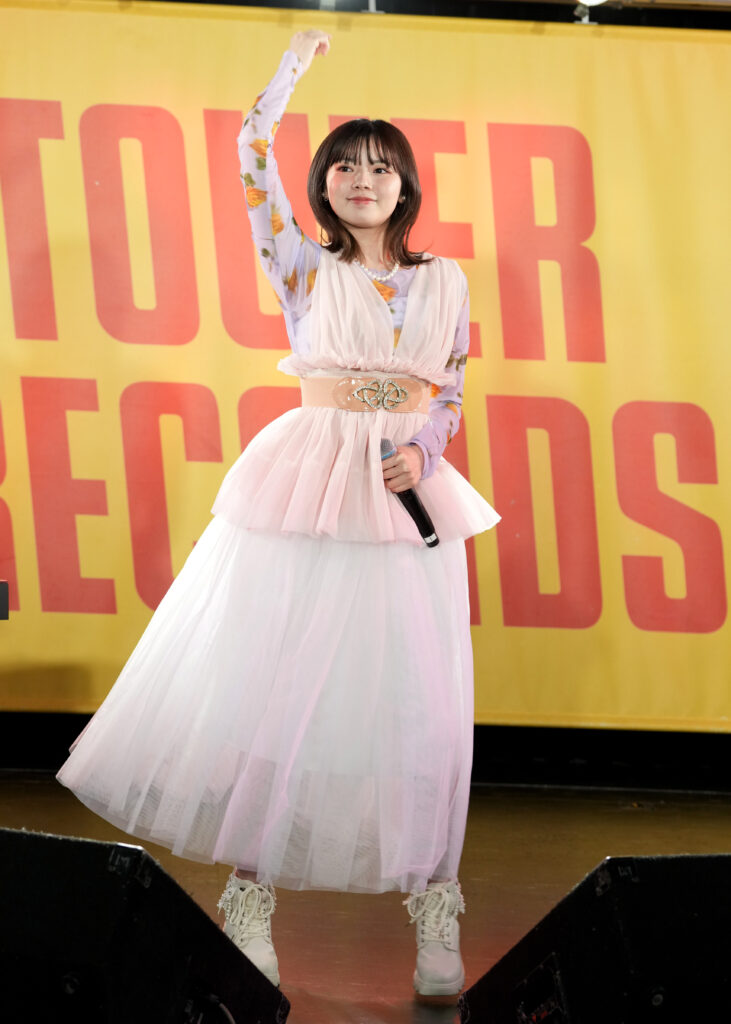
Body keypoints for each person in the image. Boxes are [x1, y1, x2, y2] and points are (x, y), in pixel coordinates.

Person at [57, 29, 500, 998]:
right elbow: (250, 147)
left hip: (404, 495)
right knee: (283, 689)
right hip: (312, 484)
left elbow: (452, 391)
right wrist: (293, 67)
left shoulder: (445, 279)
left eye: (378, 167)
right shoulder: (300, 265)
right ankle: (248, 902)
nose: (360, 180)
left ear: (406, 186)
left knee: (422, 704)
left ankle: (435, 906)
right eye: (343, 166)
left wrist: (424, 450)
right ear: (322, 184)